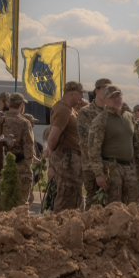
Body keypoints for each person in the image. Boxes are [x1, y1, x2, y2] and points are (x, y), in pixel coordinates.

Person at [86, 85, 139, 205]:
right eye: (112, 97)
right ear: (105, 100)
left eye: (118, 95)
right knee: (114, 206)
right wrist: (99, 174)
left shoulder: (129, 117)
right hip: (111, 168)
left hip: (129, 168)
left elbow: (138, 144)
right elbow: (94, 150)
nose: (116, 99)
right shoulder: (101, 120)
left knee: (134, 203)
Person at [46, 81, 85, 212]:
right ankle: (59, 227)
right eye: (81, 93)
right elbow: (52, 137)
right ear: (72, 93)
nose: (82, 96)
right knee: (66, 197)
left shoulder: (71, 109)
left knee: (74, 196)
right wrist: (51, 153)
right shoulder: (63, 110)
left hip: (73, 159)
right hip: (66, 159)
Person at [79, 78, 112, 209]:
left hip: (110, 165)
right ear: (96, 91)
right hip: (91, 165)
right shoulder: (85, 112)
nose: (106, 93)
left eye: (109, 90)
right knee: (93, 203)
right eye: (104, 89)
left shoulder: (112, 112)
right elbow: (86, 138)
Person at [1, 93, 37, 205]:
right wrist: (27, 164)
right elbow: (29, 146)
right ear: (21, 105)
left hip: (1, 166)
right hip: (20, 167)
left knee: (3, 201)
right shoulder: (24, 122)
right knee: (21, 203)